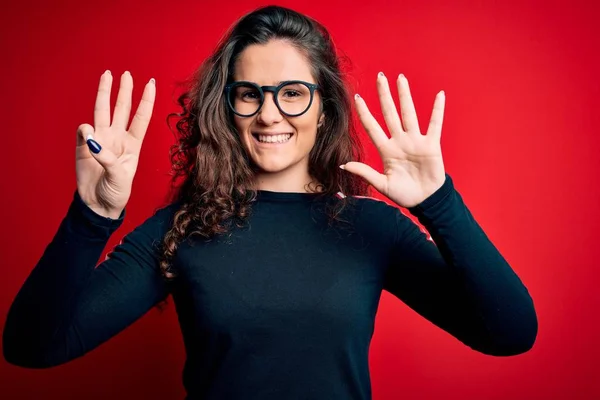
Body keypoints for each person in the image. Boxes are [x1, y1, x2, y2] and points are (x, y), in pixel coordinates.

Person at [2, 5, 537, 400]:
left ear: (324, 108)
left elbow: (510, 333)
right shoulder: (183, 229)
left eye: (292, 92)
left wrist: (438, 204)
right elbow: (33, 347)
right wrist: (92, 216)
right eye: (249, 93)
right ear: (229, 107)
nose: (269, 113)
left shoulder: (374, 228)